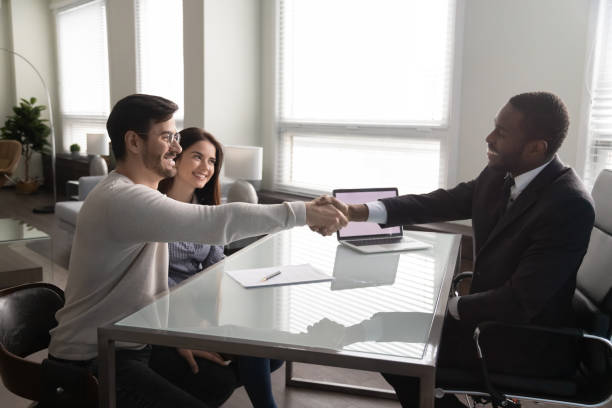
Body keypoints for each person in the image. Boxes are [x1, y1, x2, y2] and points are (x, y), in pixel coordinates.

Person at [48, 94, 347, 408]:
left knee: (239, 366)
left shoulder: (138, 195)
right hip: (91, 364)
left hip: (131, 346)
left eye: (176, 137)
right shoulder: (122, 199)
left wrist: (182, 335)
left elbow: (155, 288)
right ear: (134, 142)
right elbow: (217, 222)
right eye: (167, 137)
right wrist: (303, 212)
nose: (176, 147)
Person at [328, 92, 595, 407]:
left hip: (527, 341)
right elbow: (438, 202)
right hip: (491, 324)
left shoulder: (567, 204)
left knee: (395, 348)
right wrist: (358, 212)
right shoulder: (502, 173)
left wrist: (450, 309)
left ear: (536, 148)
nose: (489, 138)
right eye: (494, 127)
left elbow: (521, 301)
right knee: (384, 328)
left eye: (502, 133)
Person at [153, 127, 283, 408]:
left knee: (272, 353)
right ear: (176, 155)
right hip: (163, 311)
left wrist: (246, 283)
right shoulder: (155, 209)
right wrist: (186, 327)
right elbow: (153, 279)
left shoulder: (207, 209)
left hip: (199, 306)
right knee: (251, 353)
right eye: (197, 157)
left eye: (212, 161)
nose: (206, 167)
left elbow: (216, 266)